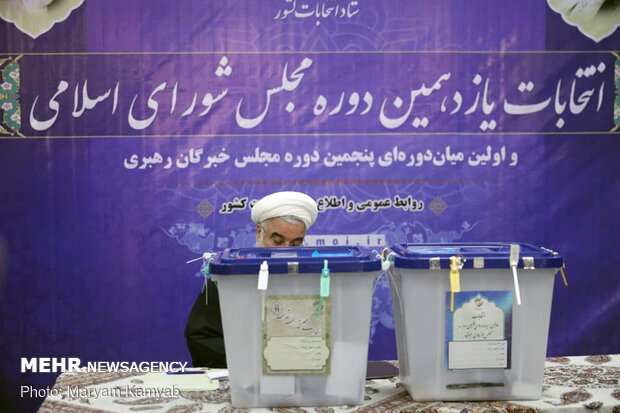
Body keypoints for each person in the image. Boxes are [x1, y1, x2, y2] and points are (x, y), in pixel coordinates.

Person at [184, 191, 318, 367]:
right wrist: (253, 358)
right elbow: (202, 338)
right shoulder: (229, 276)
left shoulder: (312, 278)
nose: (285, 251)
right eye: (277, 242)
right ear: (259, 232)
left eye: (295, 244)